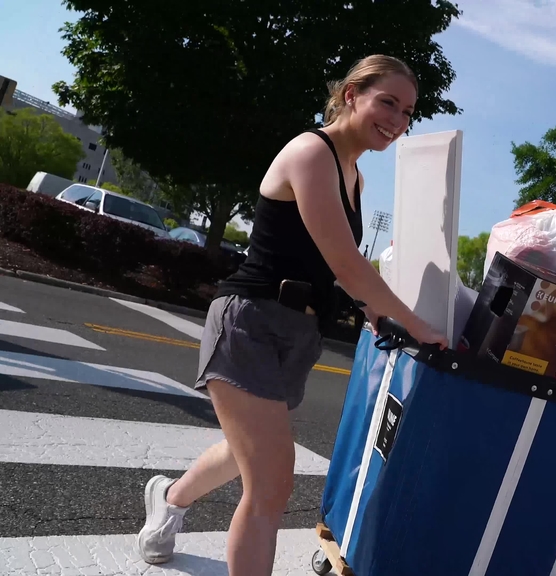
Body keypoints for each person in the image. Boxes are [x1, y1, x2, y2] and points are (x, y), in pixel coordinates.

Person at [135, 54, 449, 575]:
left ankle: (170, 499)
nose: (397, 120)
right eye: (387, 102)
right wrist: (416, 322)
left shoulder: (356, 178)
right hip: (250, 321)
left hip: (298, 332)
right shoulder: (310, 152)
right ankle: (172, 504)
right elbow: (346, 262)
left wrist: (374, 311)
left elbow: (334, 263)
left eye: (408, 111)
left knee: (245, 452)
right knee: (273, 484)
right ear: (351, 95)